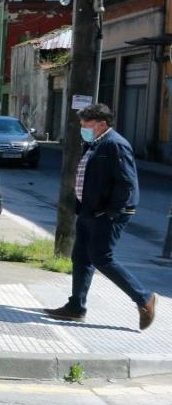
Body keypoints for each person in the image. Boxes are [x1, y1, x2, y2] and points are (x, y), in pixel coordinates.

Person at [46, 104, 157, 329]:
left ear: (102, 125)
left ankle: (144, 298)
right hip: (89, 211)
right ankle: (76, 307)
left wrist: (110, 213)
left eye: (86, 125)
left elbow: (126, 184)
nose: (82, 128)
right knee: (81, 257)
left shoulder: (115, 144)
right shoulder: (96, 143)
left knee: (101, 258)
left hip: (108, 214)